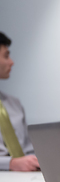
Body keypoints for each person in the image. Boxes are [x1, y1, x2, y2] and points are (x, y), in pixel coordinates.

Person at [0, 32, 40, 171]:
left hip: (26, 178)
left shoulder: (14, 103)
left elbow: (28, 149)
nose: (12, 62)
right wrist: (10, 164)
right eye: (6, 56)